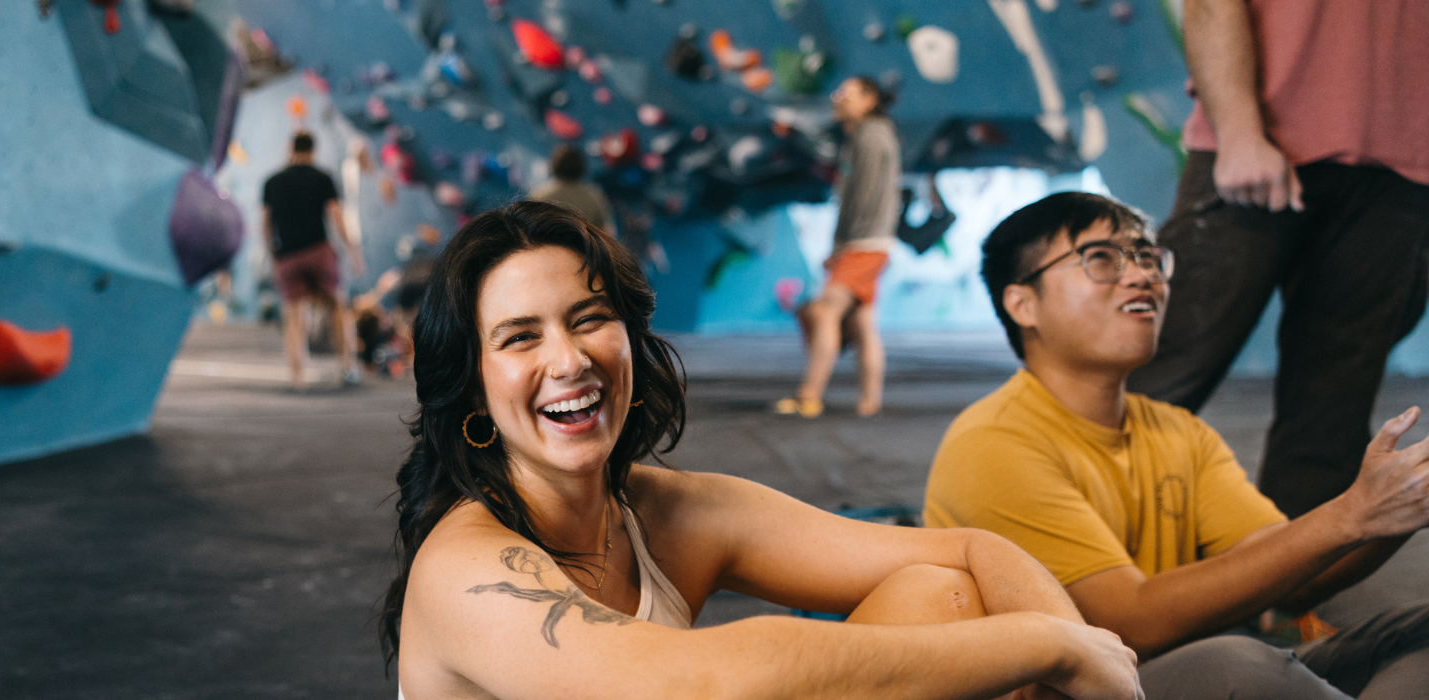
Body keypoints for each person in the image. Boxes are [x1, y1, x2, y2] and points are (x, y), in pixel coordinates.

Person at [383, 201, 1140, 700]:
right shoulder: (468, 570)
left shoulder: (666, 510)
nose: (570, 360)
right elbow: (705, 687)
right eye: (521, 337)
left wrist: (1074, 653)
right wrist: (1046, 646)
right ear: (474, 393)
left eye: (588, 319)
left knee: (937, 596)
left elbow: (970, 553)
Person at [926, 192, 1429, 698]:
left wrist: (1404, 500)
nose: (1142, 275)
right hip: (1094, 685)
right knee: (1237, 664)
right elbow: (1131, 622)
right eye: (1101, 258)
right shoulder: (994, 442)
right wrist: (1352, 514)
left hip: (1199, 667)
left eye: (1148, 258)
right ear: (1022, 303)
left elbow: (1292, 578)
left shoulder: (1178, 432)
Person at [1126, 0, 1429, 518]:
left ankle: (1291, 594)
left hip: (1404, 163)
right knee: (1152, 371)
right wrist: (1239, 129)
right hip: (1261, 138)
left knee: (1332, 412)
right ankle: (1028, 564)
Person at [776, 75, 900, 419]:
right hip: (872, 241)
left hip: (864, 242)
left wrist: (842, 246)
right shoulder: (867, 136)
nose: (838, 98)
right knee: (862, 323)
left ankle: (809, 395)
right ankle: (869, 402)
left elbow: (863, 198)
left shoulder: (870, 136)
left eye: (847, 93)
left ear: (869, 99)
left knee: (825, 311)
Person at [262, 131, 365, 389]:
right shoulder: (322, 178)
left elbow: (265, 224)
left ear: (290, 148)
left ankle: (297, 376)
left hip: (287, 255)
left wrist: (273, 255)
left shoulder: (272, 181)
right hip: (318, 252)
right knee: (338, 309)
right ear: (313, 151)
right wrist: (353, 251)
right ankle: (347, 365)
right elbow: (336, 215)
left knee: (294, 316)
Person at [527, 145, 616, 237]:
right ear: (582, 167)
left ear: (554, 165)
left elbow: (527, 229)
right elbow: (606, 231)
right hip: (583, 249)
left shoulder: (539, 195)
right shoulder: (593, 197)